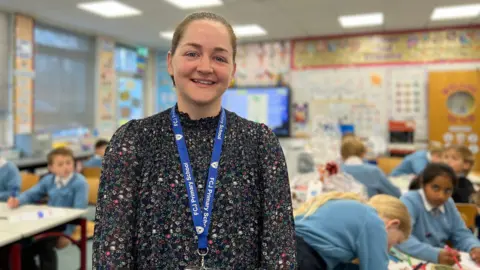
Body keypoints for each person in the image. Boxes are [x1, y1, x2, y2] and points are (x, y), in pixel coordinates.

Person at [92, 11, 296, 269]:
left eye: (219, 57)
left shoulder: (260, 143)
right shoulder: (133, 140)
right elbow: (111, 253)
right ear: (170, 62)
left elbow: (280, 253)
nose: (205, 67)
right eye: (192, 53)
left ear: (232, 70)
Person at [7, 147, 88, 270]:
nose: (66, 167)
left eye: (69, 163)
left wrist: (67, 234)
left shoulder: (79, 183)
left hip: (66, 224)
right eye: (60, 164)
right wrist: (18, 200)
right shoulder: (49, 180)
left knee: (44, 244)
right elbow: (32, 194)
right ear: (51, 168)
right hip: (49, 221)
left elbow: (79, 210)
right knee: (21, 245)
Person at [295, 192, 411, 270]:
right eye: (396, 242)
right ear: (393, 224)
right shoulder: (374, 221)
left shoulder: (349, 209)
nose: (389, 250)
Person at [396, 163, 480, 266]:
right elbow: (401, 238)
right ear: (423, 184)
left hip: (436, 262)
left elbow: (461, 233)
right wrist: (435, 254)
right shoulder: (409, 201)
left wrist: (474, 247)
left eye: (448, 190)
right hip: (408, 261)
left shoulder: (448, 203)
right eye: (435, 188)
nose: (441, 196)